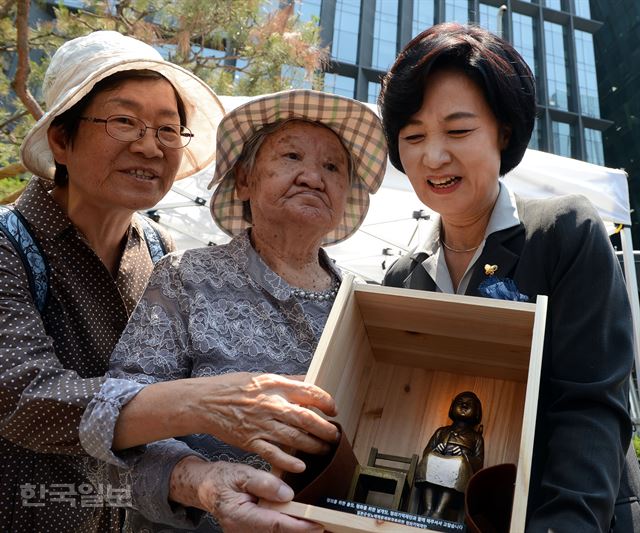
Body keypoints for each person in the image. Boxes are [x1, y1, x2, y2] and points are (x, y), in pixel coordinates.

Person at [0, 32, 338, 533]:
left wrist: (193, 475)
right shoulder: (9, 244)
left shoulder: (161, 251)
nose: (149, 145)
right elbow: (22, 396)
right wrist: (202, 403)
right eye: (123, 121)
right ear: (61, 139)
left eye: (167, 128)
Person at [79, 89, 388, 531]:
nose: (313, 177)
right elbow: (111, 431)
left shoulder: (366, 308)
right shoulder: (184, 277)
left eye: (333, 167)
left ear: (343, 199)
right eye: (292, 156)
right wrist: (200, 483)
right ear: (244, 180)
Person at [379, 22, 640, 532]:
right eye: (413, 136)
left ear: (503, 130)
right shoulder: (402, 276)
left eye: (458, 131)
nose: (433, 157)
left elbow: (591, 407)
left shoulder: (565, 232)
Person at [412, 391, 484, 521]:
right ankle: (428, 509)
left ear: (477, 411)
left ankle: (439, 511)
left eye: (469, 404)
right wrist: (436, 450)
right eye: (460, 402)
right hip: (438, 465)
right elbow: (427, 451)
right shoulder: (441, 432)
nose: (464, 405)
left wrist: (464, 457)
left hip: (457, 471)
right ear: (452, 407)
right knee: (430, 459)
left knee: (457, 466)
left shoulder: (476, 438)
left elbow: (479, 462)